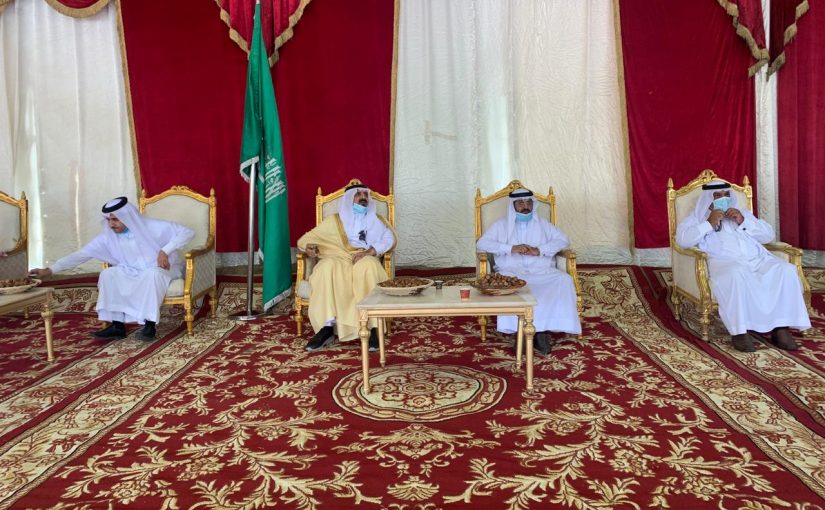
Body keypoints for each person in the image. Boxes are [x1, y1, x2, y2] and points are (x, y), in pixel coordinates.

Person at [30, 196, 193, 341]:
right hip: (133, 271)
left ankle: (149, 326)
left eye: (115, 219)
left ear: (127, 217)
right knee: (109, 274)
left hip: (164, 269)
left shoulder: (153, 226)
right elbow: (82, 254)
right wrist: (49, 270)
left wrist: (165, 251)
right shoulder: (108, 236)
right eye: (108, 220)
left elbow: (187, 232)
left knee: (152, 274)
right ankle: (117, 326)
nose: (111, 224)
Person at [676, 180, 810, 352]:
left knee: (786, 270)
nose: (723, 198)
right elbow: (683, 241)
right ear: (708, 198)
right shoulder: (697, 218)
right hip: (726, 263)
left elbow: (768, 236)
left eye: (726, 194)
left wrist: (743, 220)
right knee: (736, 274)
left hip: (757, 260)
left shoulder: (741, 214)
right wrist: (708, 223)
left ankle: (781, 328)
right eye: (717, 195)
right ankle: (740, 332)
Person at [476, 188, 582, 354]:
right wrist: (511, 248)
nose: (525, 206)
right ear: (513, 206)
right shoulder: (501, 225)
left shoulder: (543, 225)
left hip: (542, 271)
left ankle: (542, 330)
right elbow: (482, 243)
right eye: (520, 203)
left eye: (528, 202)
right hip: (512, 271)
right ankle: (519, 331)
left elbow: (563, 240)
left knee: (564, 280)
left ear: (533, 204)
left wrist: (539, 250)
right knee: (512, 285)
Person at [297, 182, 396, 351]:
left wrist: (371, 251)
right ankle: (327, 328)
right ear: (349, 199)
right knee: (325, 268)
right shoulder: (334, 221)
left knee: (368, 268)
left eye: (365, 194)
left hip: (363, 256)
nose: (363, 197)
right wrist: (309, 248)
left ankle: (373, 328)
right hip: (338, 257)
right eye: (358, 194)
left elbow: (389, 239)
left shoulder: (376, 220)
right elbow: (306, 239)